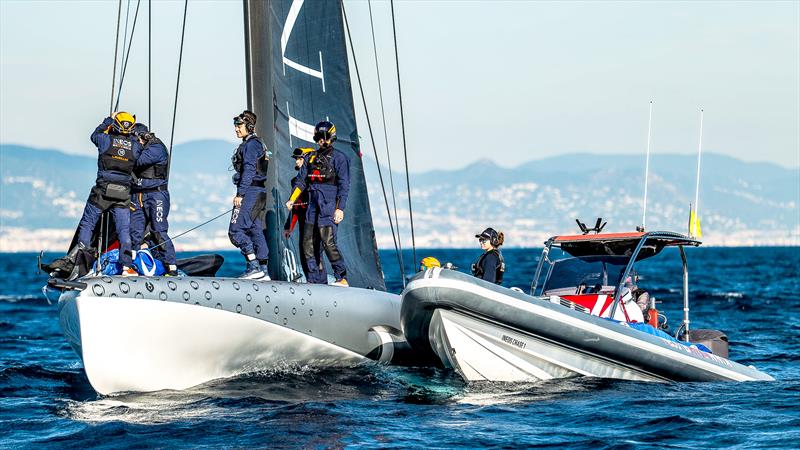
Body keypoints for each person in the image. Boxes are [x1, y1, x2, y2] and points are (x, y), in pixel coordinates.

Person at [72, 112, 142, 276]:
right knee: (124, 231)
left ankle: (81, 264)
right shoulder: (135, 146)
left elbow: (94, 135)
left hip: (102, 191)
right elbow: (137, 148)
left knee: (88, 224)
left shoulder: (105, 140)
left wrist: (108, 120)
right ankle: (127, 267)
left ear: (115, 125)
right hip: (123, 194)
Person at [285, 121, 349, 287]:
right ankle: (315, 280)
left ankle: (341, 277)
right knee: (308, 243)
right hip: (312, 206)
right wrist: (292, 199)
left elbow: (344, 185)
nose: (321, 140)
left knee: (328, 242)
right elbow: (301, 182)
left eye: (324, 137)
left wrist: (340, 208)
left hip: (328, 205)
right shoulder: (310, 157)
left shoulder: (340, 158)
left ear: (331, 138)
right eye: (319, 137)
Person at [129, 124, 178, 276]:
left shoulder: (157, 148)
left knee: (158, 231)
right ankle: (133, 265)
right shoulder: (141, 146)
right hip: (138, 195)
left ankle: (171, 267)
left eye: (134, 139)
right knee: (134, 232)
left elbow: (137, 161)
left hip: (156, 196)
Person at [229, 110, 271, 279]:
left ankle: (254, 267)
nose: (236, 129)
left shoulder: (251, 145)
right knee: (255, 230)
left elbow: (249, 170)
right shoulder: (257, 144)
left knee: (235, 231)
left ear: (249, 126)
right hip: (259, 192)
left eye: (239, 126)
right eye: (235, 126)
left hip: (250, 192)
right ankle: (264, 271)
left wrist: (240, 193)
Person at [283, 147, 327, 282]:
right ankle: (311, 280)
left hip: (316, 220)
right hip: (304, 220)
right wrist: (289, 227)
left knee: (315, 251)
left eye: (299, 159)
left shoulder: (318, 180)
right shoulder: (296, 182)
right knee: (304, 252)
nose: (296, 162)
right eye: (296, 159)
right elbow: (296, 209)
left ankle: (321, 281)